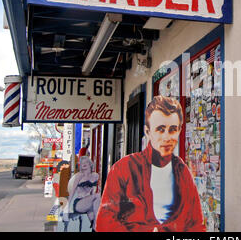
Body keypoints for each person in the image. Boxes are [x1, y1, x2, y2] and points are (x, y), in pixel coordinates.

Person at [95, 95, 205, 232]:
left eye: (172, 129)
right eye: (160, 129)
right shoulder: (123, 168)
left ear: (179, 131)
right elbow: (104, 223)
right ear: (148, 132)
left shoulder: (182, 171)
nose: (166, 137)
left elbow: (197, 224)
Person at [65, 156, 100, 230]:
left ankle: (95, 227)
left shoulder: (96, 175)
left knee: (96, 202)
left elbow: (99, 188)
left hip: (91, 203)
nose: (84, 164)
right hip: (79, 203)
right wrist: (67, 206)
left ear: (90, 164)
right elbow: (73, 190)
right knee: (97, 196)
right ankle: (96, 224)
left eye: (86, 162)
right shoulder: (79, 175)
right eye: (82, 163)